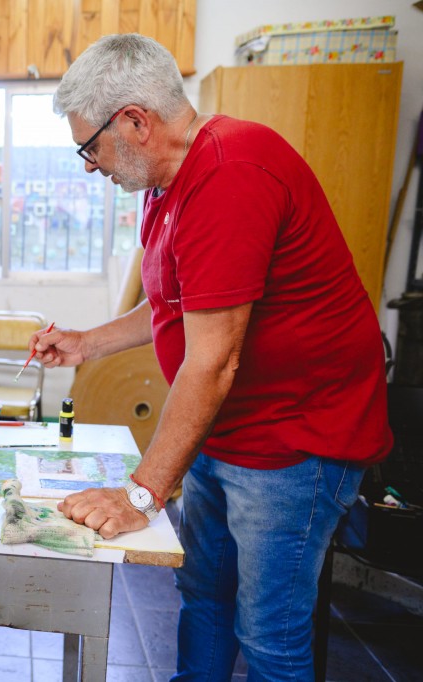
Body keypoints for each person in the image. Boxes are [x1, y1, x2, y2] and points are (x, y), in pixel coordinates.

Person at [31, 34, 392, 680]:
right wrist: (89, 342)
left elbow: (212, 362)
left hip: (294, 443)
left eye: (89, 147)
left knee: (268, 635)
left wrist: (141, 494)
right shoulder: (165, 190)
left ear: (136, 122)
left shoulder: (230, 172)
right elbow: (176, 306)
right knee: (204, 598)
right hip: (227, 434)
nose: (89, 166)